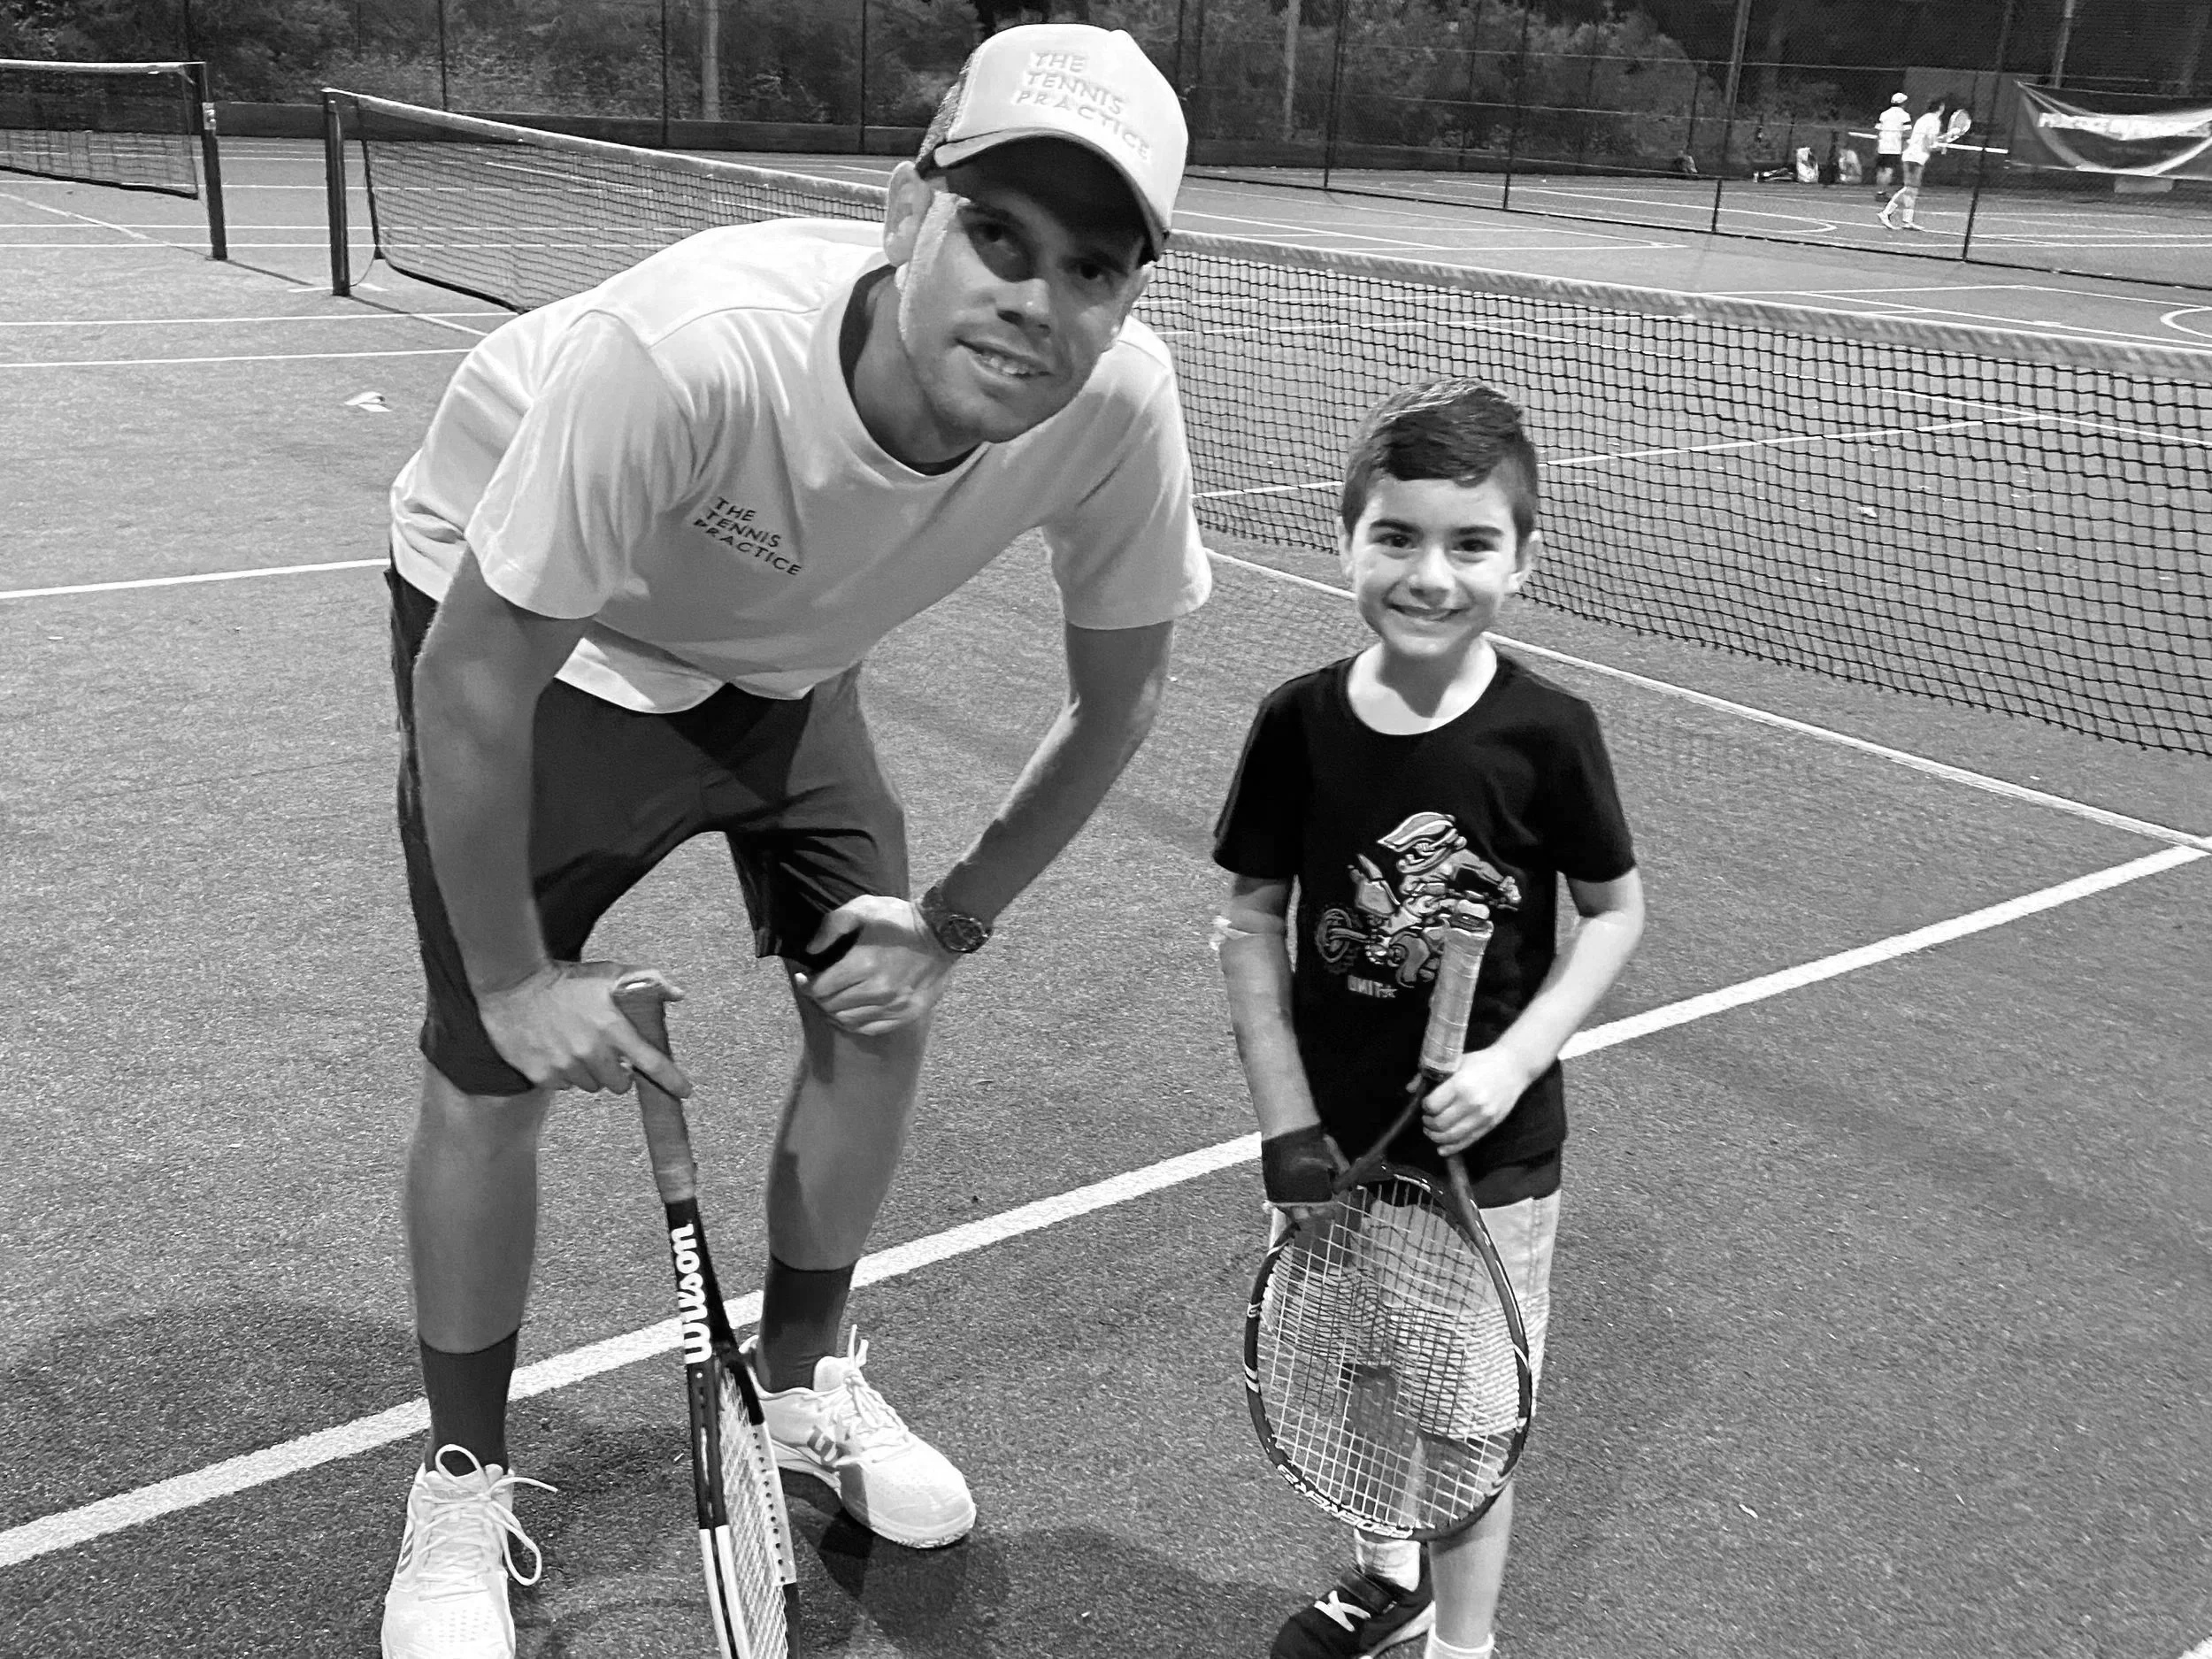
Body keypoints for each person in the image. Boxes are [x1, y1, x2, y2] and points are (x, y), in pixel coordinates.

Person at [376, 23, 1207, 1658]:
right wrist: (519, 984)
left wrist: (951, 919)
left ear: (1127, 298)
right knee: (490, 1071)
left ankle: (811, 1377)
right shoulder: (693, 353)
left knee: (873, 994)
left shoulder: (1118, 406)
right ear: (907, 210)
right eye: (999, 235)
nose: (1036, 299)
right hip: (545, 626)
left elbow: (1122, 700)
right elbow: (471, 679)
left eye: (1092, 268)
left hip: (779, 658)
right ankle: (460, 1481)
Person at [1210, 377, 1647, 1659]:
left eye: (1470, 543)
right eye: (1396, 536)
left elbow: (1614, 913)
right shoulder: (1297, 722)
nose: (1431, 574)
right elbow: (1251, 922)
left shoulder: (1549, 734)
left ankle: (1465, 1646)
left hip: (1482, 1160)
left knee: (1466, 1421)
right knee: (1354, 1365)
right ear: (1346, 538)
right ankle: (1387, 1575)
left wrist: (1514, 1061)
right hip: (1332, 1146)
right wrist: (1287, 1128)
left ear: (1523, 558)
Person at [1883, 95, 1955, 231]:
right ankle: (1886, 213)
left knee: (1912, 190)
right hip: (1915, 157)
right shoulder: (1934, 121)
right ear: (1940, 108)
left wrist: (1944, 139)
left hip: (1915, 157)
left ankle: (1907, 220)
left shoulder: (1924, 119)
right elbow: (1930, 144)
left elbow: (1928, 140)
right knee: (1909, 189)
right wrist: (1940, 147)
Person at [1872, 90, 1910, 201]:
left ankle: (1879, 191)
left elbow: (1877, 130)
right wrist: (1905, 147)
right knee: (1889, 170)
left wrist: (1877, 144)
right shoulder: (1905, 116)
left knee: (1881, 170)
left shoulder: (1884, 114)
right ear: (1903, 103)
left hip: (1882, 146)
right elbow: (1907, 133)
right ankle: (1882, 192)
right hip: (1894, 147)